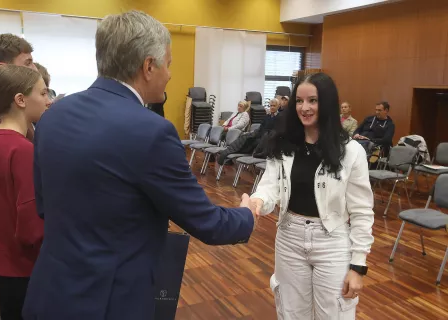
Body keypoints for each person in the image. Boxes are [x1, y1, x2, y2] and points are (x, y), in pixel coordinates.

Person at [22, 11, 257, 320]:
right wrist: (247, 215)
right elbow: (207, 222)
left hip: (49, 292)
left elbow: (44, 206)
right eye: (169, 64)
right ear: (148, 66)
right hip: (109, 303)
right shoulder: (151, 130)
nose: (170, 74)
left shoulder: (53, 115)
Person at [250, 73, 374, 319]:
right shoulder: (284, 143)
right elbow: (270, 185)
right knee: (292, 312)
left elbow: (361, 211)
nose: (304, 108)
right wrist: (257, 201)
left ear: (327, 103)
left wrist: (358, 266)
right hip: (289, 237)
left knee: (333, 313)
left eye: (313, 101)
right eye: (299, 101)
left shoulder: (350, 151)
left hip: (332, 241)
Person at [0, 65, 50, 319]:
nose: (48, 101)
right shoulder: (22, 150)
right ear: (21, 99)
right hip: (19, 264)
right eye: (43, 93)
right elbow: (31, 224)